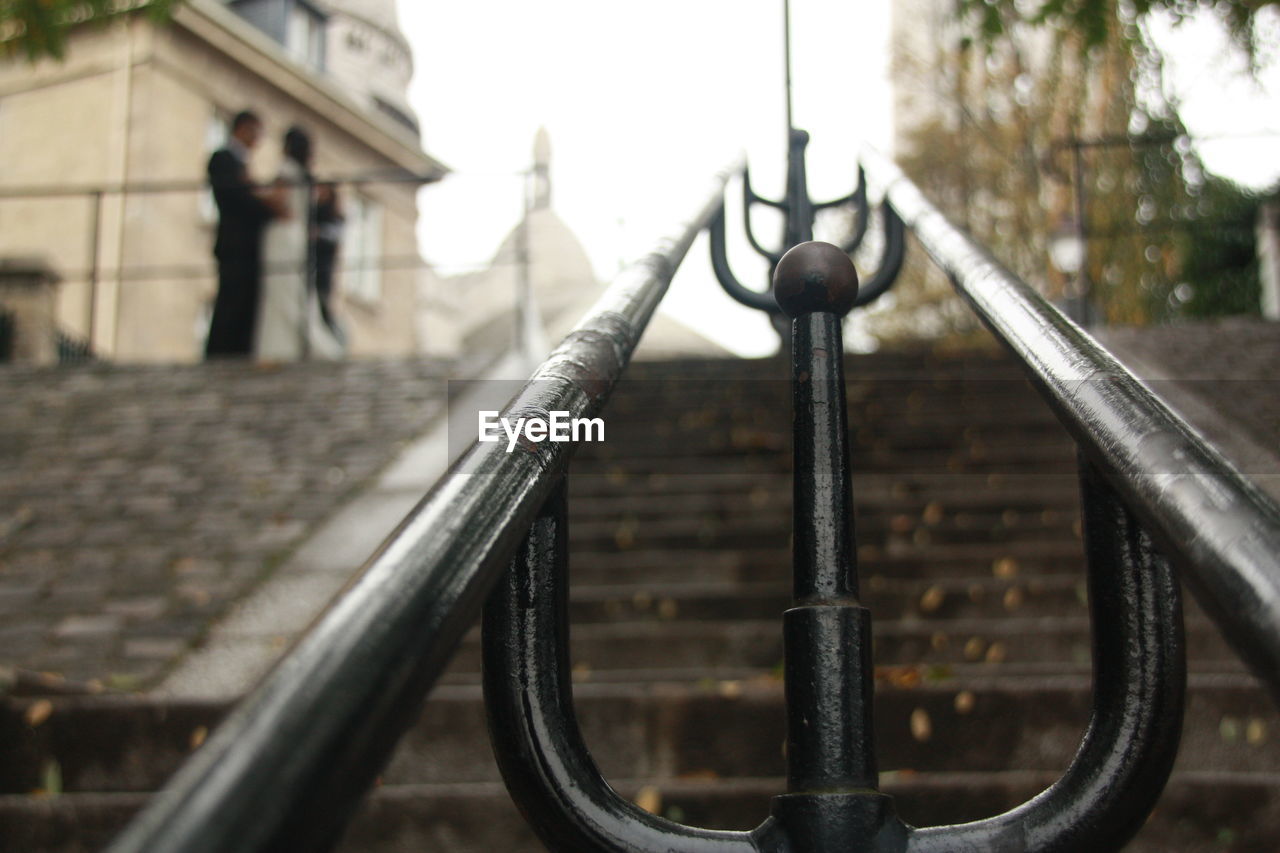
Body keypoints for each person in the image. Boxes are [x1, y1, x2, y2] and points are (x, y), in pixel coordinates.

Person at [255, 126, 344, 361]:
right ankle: (301, 343)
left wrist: (254, 192)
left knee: (280, 291)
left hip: (283, 235)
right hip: (298, 239)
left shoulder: (286, 170)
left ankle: (281, 347)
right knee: (292, 291)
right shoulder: (306, 177)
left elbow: (280, 202)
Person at [204, 110, 280, 358]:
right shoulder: (223, 159)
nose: (258, 140)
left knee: (245, 301)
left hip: (247, 246)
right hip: (235, 244)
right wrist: (268, 206)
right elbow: (236, 199)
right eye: (256, 132)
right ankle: (223, 353)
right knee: (231, 300)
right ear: (243, 129)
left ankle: (238, 351)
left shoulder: (242, 165)